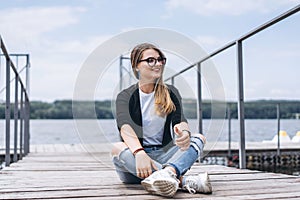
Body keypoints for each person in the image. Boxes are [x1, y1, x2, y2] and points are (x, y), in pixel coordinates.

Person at [111, 43, 212, 197]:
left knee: (198, 138)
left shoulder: (170, 92)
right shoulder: (125, 96)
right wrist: (139, 152)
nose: (157, 64)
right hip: (136, 164)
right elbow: (125, 127)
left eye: (160, 60)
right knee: (118, 148)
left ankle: (168, 174)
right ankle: (182, 181)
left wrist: (184, 132)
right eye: (150, 60)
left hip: (165, 155)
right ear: (136, 66)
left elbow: (180, 120)